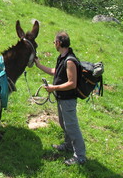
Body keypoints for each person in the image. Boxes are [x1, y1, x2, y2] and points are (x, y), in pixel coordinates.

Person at [35, 31, 86, 165]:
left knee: (72, 127)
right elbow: (55, 71)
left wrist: (54, 88)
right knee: (65, 124)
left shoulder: (70, 61)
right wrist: (39, 65)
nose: (54, 44)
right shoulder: (62, 57)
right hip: (61, 98)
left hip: (68, 100)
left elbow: (72, 83)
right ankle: (68, 146)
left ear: (58, 43)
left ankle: (80, 156)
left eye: (54, 42)